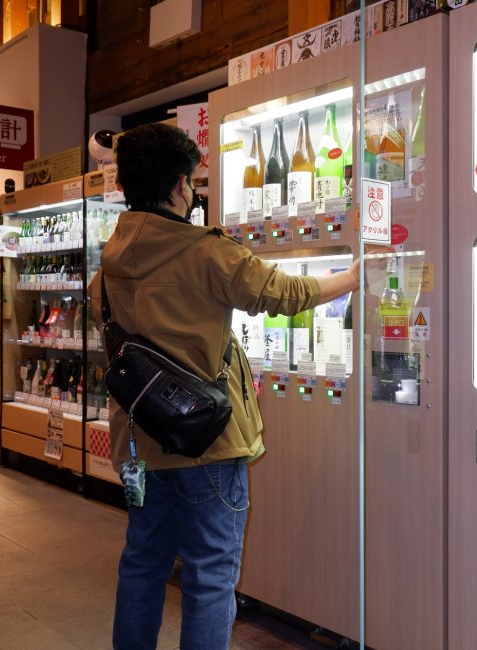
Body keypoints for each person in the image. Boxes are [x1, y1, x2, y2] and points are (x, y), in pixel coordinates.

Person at [87, 123, 359, 650]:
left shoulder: (111, 261)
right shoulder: (206, 251)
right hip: (205, 444)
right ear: (179, 185)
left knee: (143, 565)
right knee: (210, 577)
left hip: (139, 445)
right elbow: (284, 293)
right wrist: (350, 279)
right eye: (190, 182)